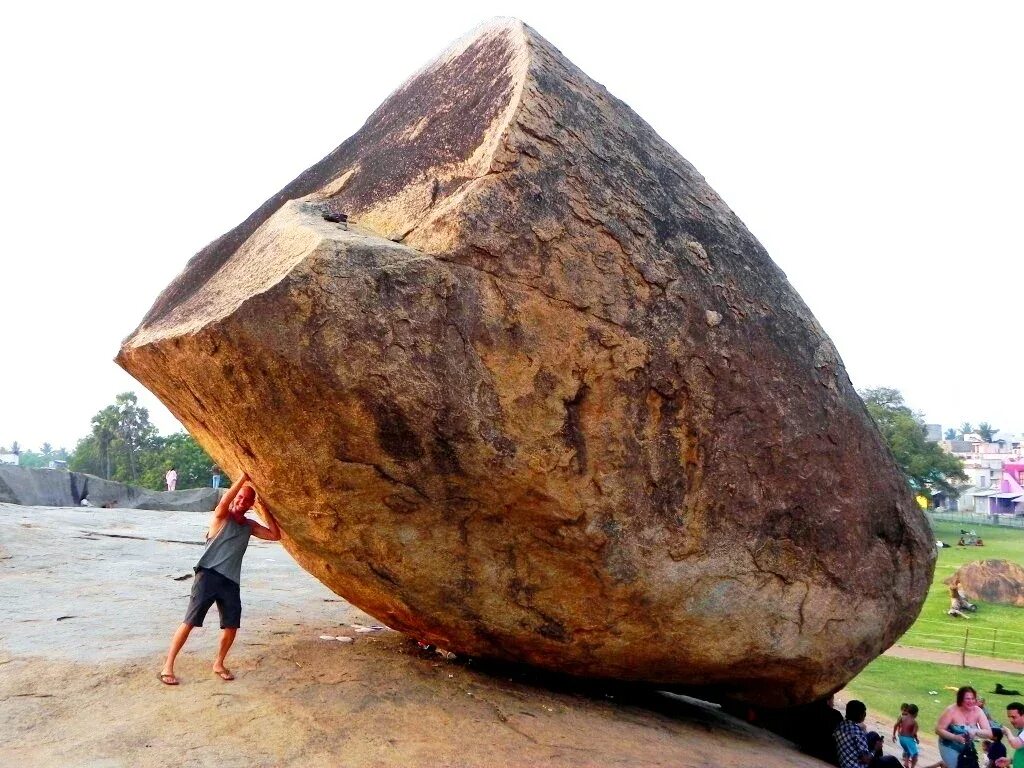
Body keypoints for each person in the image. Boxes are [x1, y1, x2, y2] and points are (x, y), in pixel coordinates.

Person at [158, 472, 281, 685]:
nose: (241, 501)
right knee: (190, 621)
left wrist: (264, 509)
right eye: (239, 497)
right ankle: (167, 666)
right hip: (208, 575)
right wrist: (243, 479)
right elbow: (224, 501)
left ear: (251, 504)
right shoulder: (221, 516)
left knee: (231, 626)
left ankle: (219, 663)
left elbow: (275, 535)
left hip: (230, 581)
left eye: (247, 500)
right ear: (234, 498)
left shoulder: (249, 526)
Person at [936, 685, 993, 768]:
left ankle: (944, 765)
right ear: (961, 699)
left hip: (967, 746)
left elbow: (989, 733)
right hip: (948, 745)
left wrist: (976, 731)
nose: (971, 701)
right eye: (967, 699)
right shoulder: (951, 710)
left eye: (973, 698)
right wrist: (955, 737)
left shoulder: (978, 711)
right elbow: (938, 730)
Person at [835, 700, 872, 768]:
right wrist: (875, 750)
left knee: (872, 735)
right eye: (864, 713)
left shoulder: (841, 725)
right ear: (860, 715)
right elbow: (866, 759)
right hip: (857, 765)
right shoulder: (858, 732)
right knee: (889, 761)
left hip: (845, 761)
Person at [995, 702, 1024, 768]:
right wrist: (1011, 761)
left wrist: (1007, 731)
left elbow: (1015, 744)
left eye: (1013, 717)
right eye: (1009, 717)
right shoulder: (1021, 731)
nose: (1011, 720)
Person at [893, 703, 921, 768]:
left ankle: (906, 762)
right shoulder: (914, 722)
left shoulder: (902, 717)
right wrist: (916, 739)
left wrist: (894, 735)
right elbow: (914, 734)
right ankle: (912, 767)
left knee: (908, 750)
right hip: (908, 739)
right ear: (915, 714)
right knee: (915, 755)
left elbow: (895, 725)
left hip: (901, 738)